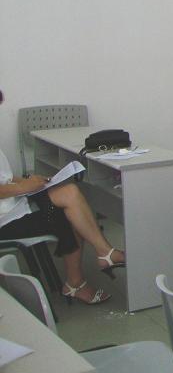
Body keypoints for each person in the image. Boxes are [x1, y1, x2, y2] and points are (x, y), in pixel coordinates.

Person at [0, 90, 126, 305]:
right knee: (69, 214)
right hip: (6, 221)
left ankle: (103, 254)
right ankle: (79, 280)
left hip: (14, 205)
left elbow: (5, 179)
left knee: (70, 193)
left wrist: (28, 180)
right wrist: (23, 187)